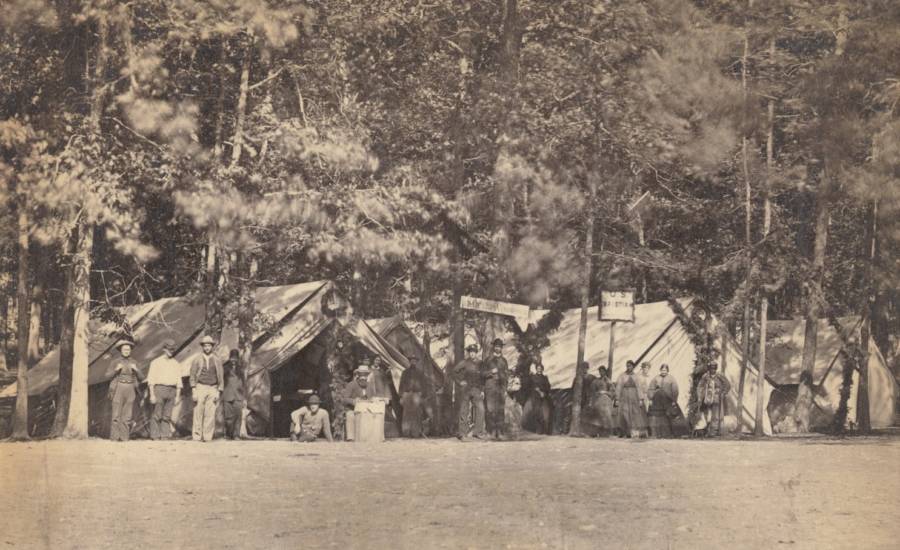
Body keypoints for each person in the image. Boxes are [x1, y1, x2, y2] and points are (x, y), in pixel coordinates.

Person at [189, 335, 224, 442]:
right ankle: (197, 436)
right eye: (205, 346)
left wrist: (218, 391)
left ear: (212, 346)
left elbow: (221, 376)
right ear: (202, 347)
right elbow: (192, 375)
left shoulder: (217, 360)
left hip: (213, 388)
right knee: (198, 412)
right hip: (200, 387)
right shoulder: (197, 359)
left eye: (209, 345)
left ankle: (207, 436)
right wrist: (194, 390)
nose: (207, 348)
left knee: (210, 413)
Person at [146, 338, 181, 440]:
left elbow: (179, 380)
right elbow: (151, 379)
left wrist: (178, 395)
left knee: (167, 415)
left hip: (172, 390)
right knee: (157, 414)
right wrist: (152, 394)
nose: (171, 351)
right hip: (159, 389)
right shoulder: (155, 362)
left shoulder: (176, 363)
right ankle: (155, 436)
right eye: (169, 349)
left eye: (173, 349)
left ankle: (165, 435)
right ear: (164, 349)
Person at [109, 339, 143, 441]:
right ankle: (115, 437)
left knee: (127, 415)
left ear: (131, 351)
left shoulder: (135, 362)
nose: (126, 351)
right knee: (116, 415)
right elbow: (107, 375)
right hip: (118, 387)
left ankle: (124, 438)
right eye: (124, 349)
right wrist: (116, 370)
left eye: (128, 349)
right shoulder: (115, 362)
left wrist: (136, 370)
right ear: (120, 350)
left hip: (131, 388)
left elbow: (142, 377)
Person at [453, 344, 486, 440]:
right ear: (469, 353)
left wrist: (482, 390)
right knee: (464, 410)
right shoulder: (464, 363)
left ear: (476, 353)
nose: (472, 354)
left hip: (477, 390)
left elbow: (483, 377)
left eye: (474, 352)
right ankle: (462, 434)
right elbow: (454, 372)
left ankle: (478, 432)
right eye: (471, 352)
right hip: (466, 390)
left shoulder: (481, 363)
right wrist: (460, 382)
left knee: (481, 409)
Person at [615, 360, 649, 438]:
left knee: (634, 414)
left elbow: (639, 388)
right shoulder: (622, 376)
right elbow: (619, 387)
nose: (628, 367)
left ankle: (633, 432)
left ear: (633, 367)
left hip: (634, 397)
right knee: (624, 413)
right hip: (624, 396)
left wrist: (641, 399)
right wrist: (617, 398)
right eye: (627, 366)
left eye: (630, 366)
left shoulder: (636, 376)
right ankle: (624, 432)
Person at [399, 353, 430, 438]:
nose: (413, 362)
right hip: (407, 394)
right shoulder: (405, 372)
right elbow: (401, 385)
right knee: (406, 413)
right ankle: (406, 432)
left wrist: (422, 395)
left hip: (417, 395)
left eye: (415, 361)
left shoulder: (420, 373)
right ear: (409, 361)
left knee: (417, 414)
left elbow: (424, 385)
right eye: (411, 360)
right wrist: (401, 396)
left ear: (417, 362)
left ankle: (415, 432)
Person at [483, 338, 509, 439]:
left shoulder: (504, 361)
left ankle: (500, 432)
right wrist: (491, 372)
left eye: (500, 346)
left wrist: (505, 389)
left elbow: (506, 376)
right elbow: (482, 374)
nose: (498, 348)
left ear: (501, 348)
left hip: (501, 388)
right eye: (496, 346)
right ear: (494, 347)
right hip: (490, 387)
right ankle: (491, 432)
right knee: (490, 409)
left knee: (500, 410)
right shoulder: (488, 360)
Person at [696, 363, 731, 437]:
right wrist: (700, 396)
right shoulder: (705, 376)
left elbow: (728, 385)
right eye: (711, 368)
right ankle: (707, 429)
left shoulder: (720, 376)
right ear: (709, 369)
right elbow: (700, 386)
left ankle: (714, 431)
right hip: (707, 398)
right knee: (707, 414)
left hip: (716, 398)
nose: (713, 370)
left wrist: (723, 393)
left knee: (716, 415)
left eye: (714, 368)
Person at [647, 364, 681, 438]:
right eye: (662, 370)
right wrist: (650, 398)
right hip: (657, 401)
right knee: (657, 417)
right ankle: (657, 434)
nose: (663, 372)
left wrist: (674, 400)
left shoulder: (671, 379)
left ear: (667, 371)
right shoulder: (656, 378)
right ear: (660, 370)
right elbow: (650, 388)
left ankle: (669, 434)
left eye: (665, 370)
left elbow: (675, 390)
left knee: (668, 416)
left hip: (668, 400)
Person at [583, 365, 615, 437]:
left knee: (606, 416)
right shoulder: (595, 381)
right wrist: (592, 398)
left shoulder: (608, 381)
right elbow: (591, 391)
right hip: (597, 399)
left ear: (605, 372)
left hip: (606, 400)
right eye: (600, 371)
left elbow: (613, 392)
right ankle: (594, 432)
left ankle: (606, 432)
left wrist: (605, 392)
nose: (601, 373)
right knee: (596, 416)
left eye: (602, 371)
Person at [342, 365, 371, 440]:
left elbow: (373, 397)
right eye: (361, 374)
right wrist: (353, 401)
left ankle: (369, 437)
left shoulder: (370, 386)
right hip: (353, 409)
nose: (363, 376)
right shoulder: (351, 384)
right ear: (358, 375)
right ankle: (351, 438)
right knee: (350, 415)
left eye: (365, 374)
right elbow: (345, 399)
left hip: (367, 410)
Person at [522, 361, 552, 434]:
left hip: (543, 397)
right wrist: (536, 390)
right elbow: (529, 387)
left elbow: (548, 387)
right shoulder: (533, 378)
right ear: (536, 369)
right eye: (538, 368)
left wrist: (544, 393)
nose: (539, 369)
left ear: (542, 369)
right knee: (536, 413)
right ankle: (536, 430)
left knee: (545, 414)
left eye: (540, 368)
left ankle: (545, 431)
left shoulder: (545, 378)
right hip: (535, 397)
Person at [222, 349, 245, 440]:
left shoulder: (241, 369)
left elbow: (244, 384)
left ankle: (236, 435)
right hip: (227, 395)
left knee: (238, 416)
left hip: (238, 396)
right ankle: (228, 434)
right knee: (228, 417)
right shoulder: (225, 368)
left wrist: (244, 397)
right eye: (232, 358)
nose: (233, 360)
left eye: (235, 358)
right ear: (229, 358)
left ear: (238, 359)